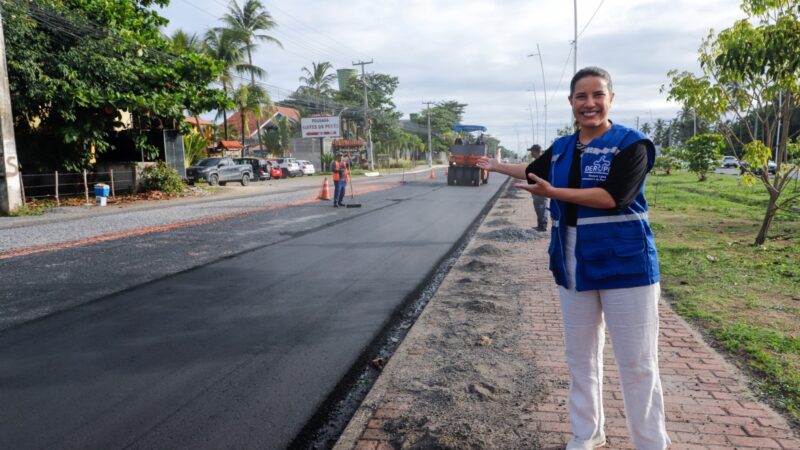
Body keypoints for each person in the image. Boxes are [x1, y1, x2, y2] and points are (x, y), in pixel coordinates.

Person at [477, 67, 670, 450]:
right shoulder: (564, 146)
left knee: (637, 364)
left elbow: (615, 196)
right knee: (581, 356)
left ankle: (651, 443)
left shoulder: (632, 144)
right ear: (571, 103)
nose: (589, 103)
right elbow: (535, 172)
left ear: (611, 98)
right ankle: (587, 433)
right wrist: (496, 166)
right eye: (581, 97)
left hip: (625, 262)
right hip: (572, 259)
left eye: (597, 95)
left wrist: (556, 193)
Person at [529, 144, 549, 231]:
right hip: (537, 189)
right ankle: (540, 225)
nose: (530, 153)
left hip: (541, 189)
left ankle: (542, 226)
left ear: (535, 151)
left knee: (541, 206)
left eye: (531, 151)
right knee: (538, 206)